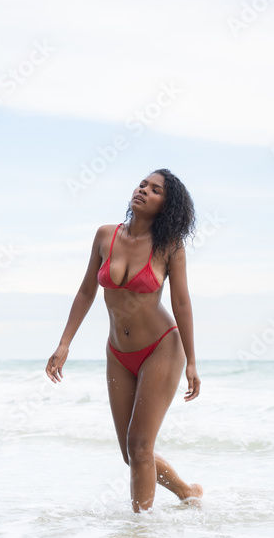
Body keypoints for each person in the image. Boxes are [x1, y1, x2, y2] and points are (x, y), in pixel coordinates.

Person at [46, 169, 202, 513]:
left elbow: (181, 303)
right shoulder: (106, 236)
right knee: (130, 452)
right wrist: (64, 343)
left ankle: (140, 536)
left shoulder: (169, 247)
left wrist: (191, 361)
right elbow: (87, 290)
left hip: (161, 347)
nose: (144, 191)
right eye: (143, 184)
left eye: (155, 190)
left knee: (140, 446)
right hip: (118, 352)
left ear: (167, 205)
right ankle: (187, 492)